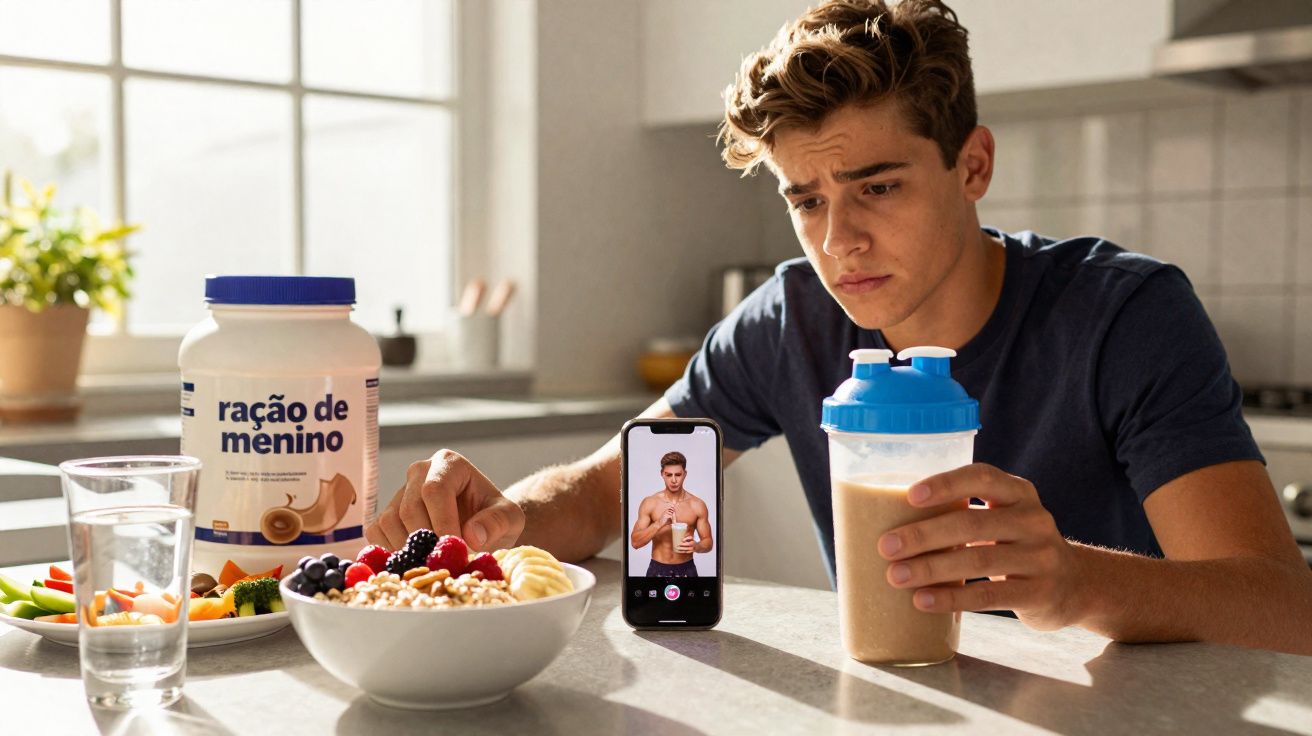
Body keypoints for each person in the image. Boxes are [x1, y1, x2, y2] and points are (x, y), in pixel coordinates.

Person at [366, 0, 1312, 653]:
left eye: (879, 187)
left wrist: (1074, 582)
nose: (838, 240)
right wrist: (504, 518)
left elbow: (1282, 608)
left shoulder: (1123, 316)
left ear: (973, 165)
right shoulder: (790, 321)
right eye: (805, 199)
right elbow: (615, 485)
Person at [629, 451, 713, 577]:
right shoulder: (650, 503)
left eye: (678, 475)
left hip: (687, 568)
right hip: (657, 568)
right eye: (669, 475)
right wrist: (659, 523)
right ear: (662, 474)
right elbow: (635, 542)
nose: (673, 480)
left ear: (685, 474)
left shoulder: (697, 505)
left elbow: (708, 542)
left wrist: (696, 546)